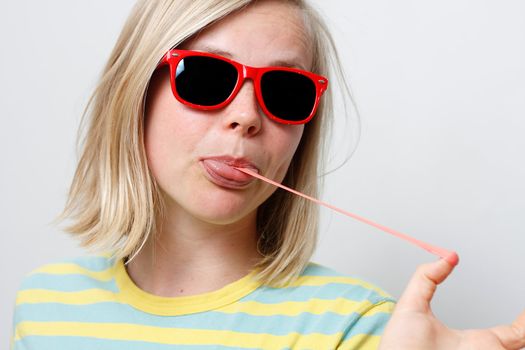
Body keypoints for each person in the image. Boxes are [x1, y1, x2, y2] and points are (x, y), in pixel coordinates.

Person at [10, 0, 525, 349]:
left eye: (285, 90)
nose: (248, 116)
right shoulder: (44, 305)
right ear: (137, 93)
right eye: (207, 75)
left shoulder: (358, 325)